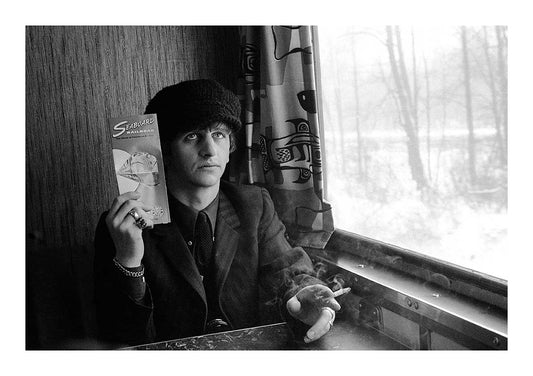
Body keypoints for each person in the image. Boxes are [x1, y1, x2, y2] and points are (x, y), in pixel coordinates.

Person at [94, 79, 343, 347]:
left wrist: (304, 292)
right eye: (192, 136)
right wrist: (129, 261)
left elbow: (287, 271)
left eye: (219, 135)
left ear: (229, 148)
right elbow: (119, 337)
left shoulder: (254, 205)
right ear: (163, 151)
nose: (209, 150)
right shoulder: (123, 225)